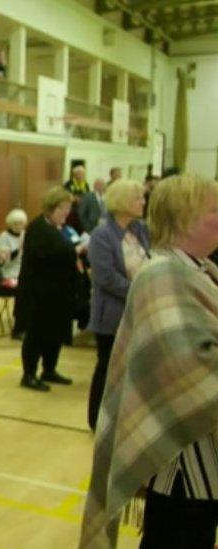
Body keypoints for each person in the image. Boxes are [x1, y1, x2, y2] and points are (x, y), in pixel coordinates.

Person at [81, 174, 218, 549]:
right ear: (186, 218)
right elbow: (190, 370)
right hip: (183, 462)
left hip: (199, 454)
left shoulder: (197, 269)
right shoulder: (164, 274)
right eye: (215, 210)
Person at [85, 180, 149, 432]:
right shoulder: (102, 235)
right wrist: (140, 291)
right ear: (122, 202)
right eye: (138, 198)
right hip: (111, 315)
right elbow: (106, 277)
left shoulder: (141, 229)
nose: (143, 202)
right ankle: (96, 419)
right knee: (107, 368)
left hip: (138, 311)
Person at [17, 187, 79, 391]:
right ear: (52, 207)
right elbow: (44, 257)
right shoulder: (38, 228)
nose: (66, 212)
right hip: (39, 295)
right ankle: (29, 374)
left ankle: (49, 369)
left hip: (57, 293)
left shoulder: (57, 228)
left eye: (68, 208)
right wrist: (73, 252)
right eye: (63, 208)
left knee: (55, 333)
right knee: (37, 335)